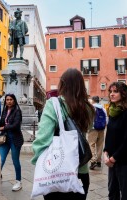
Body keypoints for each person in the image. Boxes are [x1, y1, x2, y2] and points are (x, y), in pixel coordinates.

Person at [31, 68, 95, 200]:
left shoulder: (53, 104)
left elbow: (43, 138)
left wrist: (38, 160)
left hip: (57, 173)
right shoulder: (88, 108)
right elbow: (87, 130)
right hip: (81, 172)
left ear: (62, 84)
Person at [103, 82, 127, 200]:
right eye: (110, 91)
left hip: (126, 162)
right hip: (112, 162)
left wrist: (113, 158)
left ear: (123, 94)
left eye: (115, 91)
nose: (112, 94)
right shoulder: (112, 111)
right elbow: (109, 135)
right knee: (112, 193)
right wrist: (105, 152)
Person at [0, 93, 24, 191]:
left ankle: (18, 181)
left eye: (11, 99)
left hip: (15, 139)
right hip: (5, 138)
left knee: (15, 160)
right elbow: (1, 122)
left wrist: (4, 127)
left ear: (14, 100)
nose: (8, 101)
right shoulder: (4, 110)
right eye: (7, 99)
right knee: (0, 159)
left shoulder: (17, 111)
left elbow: (16, 125)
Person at [88, 96, 107, 170]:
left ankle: (93, 161)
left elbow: (88, 118)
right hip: (101, 129)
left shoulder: (91, 107)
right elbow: (106, 118)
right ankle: (99, 161)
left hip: (93, 129)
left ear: (93, 100)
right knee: (100, 145)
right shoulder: (103, 108)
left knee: (91, 144)